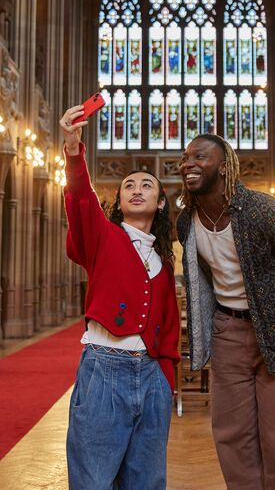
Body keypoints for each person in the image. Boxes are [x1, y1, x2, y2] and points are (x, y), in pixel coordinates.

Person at [176, 133, 275, 490]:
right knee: (231, 434)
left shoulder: (264, 210)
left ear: (224, 167)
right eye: (184, 158)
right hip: (229, 330)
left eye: (199, 157)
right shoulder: (185, 221)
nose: (188, 163)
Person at [60, 104, 180, 490]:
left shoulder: (163, 257)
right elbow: (81, 199)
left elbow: (170, 326)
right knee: (93, 481)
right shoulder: (103, 237)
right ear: (118, 202)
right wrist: (73, 149)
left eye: (146, 185)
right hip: (103, 369)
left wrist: (164, 378)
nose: (136, 189)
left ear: (161, 202)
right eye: (128, 185)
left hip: (152, 376)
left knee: (147, 481)